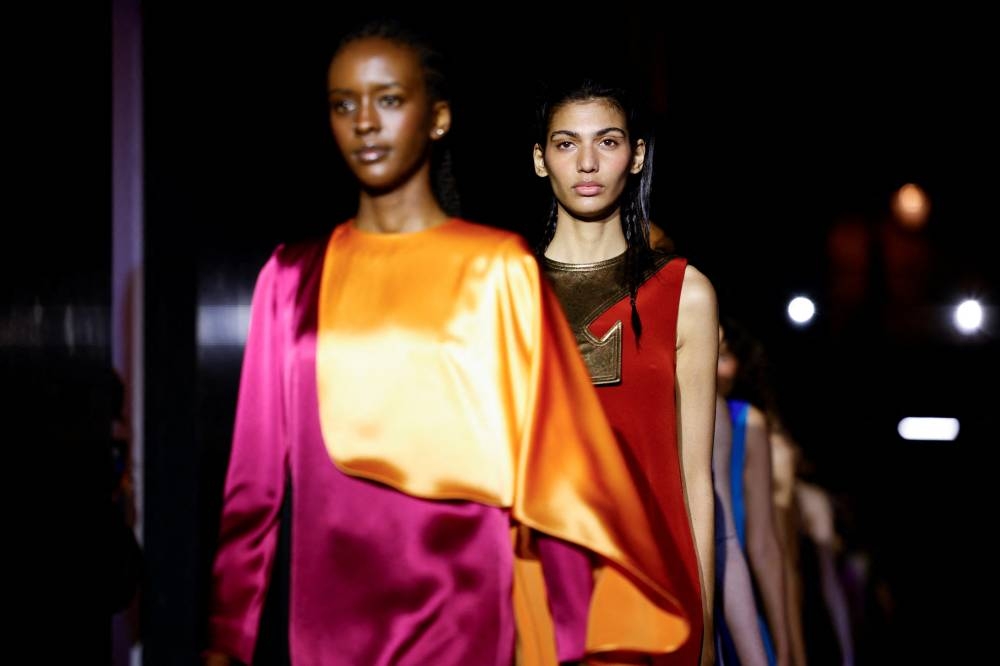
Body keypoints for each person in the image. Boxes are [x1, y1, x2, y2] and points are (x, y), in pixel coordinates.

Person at [202, 19, 696, 666]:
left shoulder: (497, 269)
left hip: (463, 610)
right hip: (329, 617)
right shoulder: (291, 277)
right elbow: (254, 483)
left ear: (437, 117)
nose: (365, 123)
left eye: (389, 99)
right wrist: (226, 637)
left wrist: (572, 634)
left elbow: (553, 471)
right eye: (343, 104)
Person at [531, 75, 718, 665]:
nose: (587, 162)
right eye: (566, 143)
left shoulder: (684, 293)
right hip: (536, 592)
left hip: (652, 593)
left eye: (607, 141)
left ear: (636, 156)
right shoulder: (505, 292)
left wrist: (705, 627)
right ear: (540, 159)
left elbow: (694, 479)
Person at [716, 317, 792, 666]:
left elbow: (764, 545)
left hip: (734, 602)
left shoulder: (747, 422)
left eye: (724, 355)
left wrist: (785, 645)